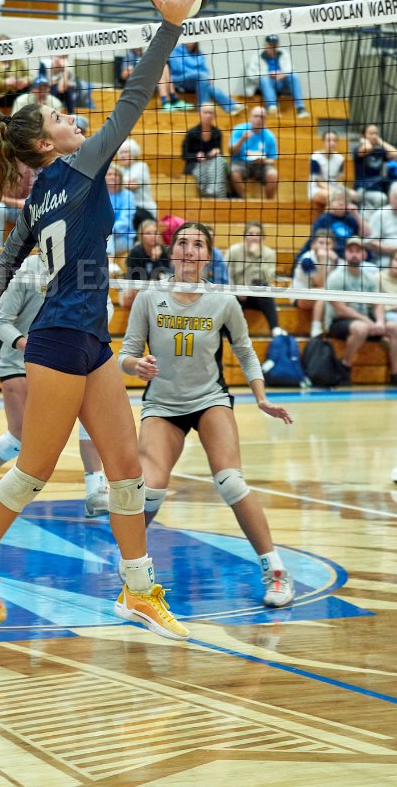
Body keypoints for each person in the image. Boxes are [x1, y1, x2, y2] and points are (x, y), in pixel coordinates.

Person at [0, 0, 201, 639]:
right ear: (43, 145)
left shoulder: (37, 197)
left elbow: (3, 266)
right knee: (34, 468)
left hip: (89, 340)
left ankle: (137, 592)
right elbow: (136, 96)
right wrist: (169, 25)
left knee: (125, 471)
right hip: (58, 337)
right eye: (59, 118)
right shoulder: (81, 167)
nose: (71, 119)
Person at [119, 221, 295, 607]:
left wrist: (261, 398)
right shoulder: (150, 296)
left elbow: (245, 351)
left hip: (209, 399)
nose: (189, 249)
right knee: (150, 489)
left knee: (231, 482)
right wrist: (136, 365)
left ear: (208, 256)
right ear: (171, 253)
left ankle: (276, 571)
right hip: (163, 405)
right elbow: (125, 354)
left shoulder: (223, 300)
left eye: (198, 244)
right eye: (182, 242)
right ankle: (132, 559)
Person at [0, 254, 110, 518]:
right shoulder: (28, 270)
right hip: (18, 359)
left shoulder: (88, 265)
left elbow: (106, 308)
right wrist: (29, 345)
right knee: (20, 435)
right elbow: (1, 322)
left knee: (91, 416)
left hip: (68, 357)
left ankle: (95, 490)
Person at [325, 235, 397, 386]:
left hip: (365, 320)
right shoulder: (336, 277)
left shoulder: (369, 277)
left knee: (394, 327)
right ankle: (345, 365)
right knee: (361, 328)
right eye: (351, 251)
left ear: (364, 254)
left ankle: (395, 374)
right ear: (345, 253)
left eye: (358, 251)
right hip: (338, 322)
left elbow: (377, 303)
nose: (354, 254)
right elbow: (341, 310)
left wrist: (380, 321)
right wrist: (368, 322)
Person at [225, 222, 286, 337]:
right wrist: (236, 291)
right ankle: (226, 332)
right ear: (245, 235)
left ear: (262, 237)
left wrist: (258, 256)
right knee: (228, 300)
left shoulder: (269, 253)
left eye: (258, 234)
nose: (254, 237)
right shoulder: (234, 251)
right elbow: (226, 274)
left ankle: (275, 328)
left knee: (265, 289)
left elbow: (267, 277)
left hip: (257, 295)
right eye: (251, 233)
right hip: (237, 294)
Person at [169, 41, 244, 115]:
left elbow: (205, 70)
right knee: (202, 77)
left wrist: (207, 77)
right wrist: (200, 75)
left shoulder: (199, 53)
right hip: (179, 80)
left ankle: (232, 107)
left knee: (213, 89)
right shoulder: (176, 52)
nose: (190, 41)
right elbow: (179, 69)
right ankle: (202, 108)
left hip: (197, 81)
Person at [245, 34, 309, 117]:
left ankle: (300, 108)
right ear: (265, 45)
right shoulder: (257, 56)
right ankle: (272, 107)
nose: (273, 47)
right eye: (271, 45)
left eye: (275, 45)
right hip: (265, 85)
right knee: (265, 79)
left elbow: (290, 69)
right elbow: (251, 74)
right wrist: (269, 74)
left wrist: (282, 74)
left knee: (294, 75)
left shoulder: (283, 53)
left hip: (282, 84)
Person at [0, 160, 35, 249]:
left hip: (13, 209)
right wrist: (17, 203)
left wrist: (7, 200)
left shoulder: (26, 167)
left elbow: (31, 199)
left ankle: (34, 251)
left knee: (34, 212)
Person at [292, 230, 338, 338]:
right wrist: (322, 261)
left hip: (320, 295)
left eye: (328, 243)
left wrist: (333, 263)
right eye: (321, 243)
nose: (324, 246)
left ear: (333, 246)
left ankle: (331, 329)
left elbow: (332, 283)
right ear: (313, 245)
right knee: (323, 293)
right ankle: (316, 328)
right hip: (299, 296)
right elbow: (320, 283)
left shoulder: (333, 259)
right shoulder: (306, 260)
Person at [305, 187, 371, 261]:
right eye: (338, 200)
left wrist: (356, 214)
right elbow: (316, 242)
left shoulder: (351, 218)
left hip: (350, 255)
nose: (341, 203)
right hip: (330, 256)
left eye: (344, 200)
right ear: (330, 202)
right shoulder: (323, 219)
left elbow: (366, 234)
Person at [229, 106, 278, 200]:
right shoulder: (239, 129)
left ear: (265, 120)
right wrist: (242, 140)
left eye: (262, 117)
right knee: (233, 172)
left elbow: (272, 160)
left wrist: (264, 161)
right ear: (250, 117)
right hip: (241, 163)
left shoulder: (269, 136)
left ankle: (269, 204)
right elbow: (231, 152)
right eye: (256, 116)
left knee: (273, 174)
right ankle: (244, 201)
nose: (259, 119)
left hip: (261, 165)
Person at [181, 103, 230, 197]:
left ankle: (212, 191)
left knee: (219, 160)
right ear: (200, 114)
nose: (208, 115)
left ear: (214, 116)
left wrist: (216, 152)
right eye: (205, 112)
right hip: (195, 165)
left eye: (211, 113)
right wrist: (196, 156)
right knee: (216, 169)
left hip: (212, 165)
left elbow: (220, 153)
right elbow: (184, 155)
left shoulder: (217, 133)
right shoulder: (191, 133)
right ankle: (217, 195)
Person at [119, 46, 188, 111]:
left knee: (164, 65)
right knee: (159, 70)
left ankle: (173, 98)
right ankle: (166, 101)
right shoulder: (130, 56)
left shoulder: (145, 54)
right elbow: (123, 75)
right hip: (138, 83)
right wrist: (135, 70)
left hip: (150, 81)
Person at [121, 219, 171, 308]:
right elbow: (131, 276)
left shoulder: (164, 251)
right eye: (148, 233)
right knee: (129, 295)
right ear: (141, 236)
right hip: (138, 287)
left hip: (158, 288)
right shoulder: (136, 252)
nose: (153, 236)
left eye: (155, 232)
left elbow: (166, 276)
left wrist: (156, 260)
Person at [353, 123, 397, 209]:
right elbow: (368, 148)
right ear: (364, 135)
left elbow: (395, 153)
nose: (374, 136)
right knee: (381, 198)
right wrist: (364, 141)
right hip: (363, 188)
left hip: (379, 186)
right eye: (371, 133)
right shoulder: (358, 149)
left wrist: (380, 141)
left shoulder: (379, 150)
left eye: (376, 133)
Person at [308, 130, 356, 208]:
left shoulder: (340, 158)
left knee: (354, 195)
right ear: (323, 142)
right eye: (329, 140)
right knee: (332, 196)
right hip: (318, 189)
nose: (332, 143)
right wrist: (335, 191)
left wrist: (340, 191)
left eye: (334, 140)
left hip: (335, 189)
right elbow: (319, 183)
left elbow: (340, 181)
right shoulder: (315, 157)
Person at [116, 138, 157, 218]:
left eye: (126, 152)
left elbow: (132, 185)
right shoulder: (121, 170)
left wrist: (115, 183)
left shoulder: (141, 166)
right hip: (127, 209)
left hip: (143, 208)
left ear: (134, 154)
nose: (122, 155)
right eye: (120, 153)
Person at [106, 163, 137, 257]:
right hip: (101, 235)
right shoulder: (99, 195)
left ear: (120, 178)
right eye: (109, 174)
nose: (112, 177)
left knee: (107, 238)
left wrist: (107, 230)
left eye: (116, 175)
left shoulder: (128, 195)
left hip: (123, 237)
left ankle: (110, 262)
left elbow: (125, 222)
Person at [367, 184, 397, 267]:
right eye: (396, 197)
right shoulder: (379, 215)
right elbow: (370, 242)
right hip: (386, 257)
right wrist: (392, 249)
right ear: (390, 198)